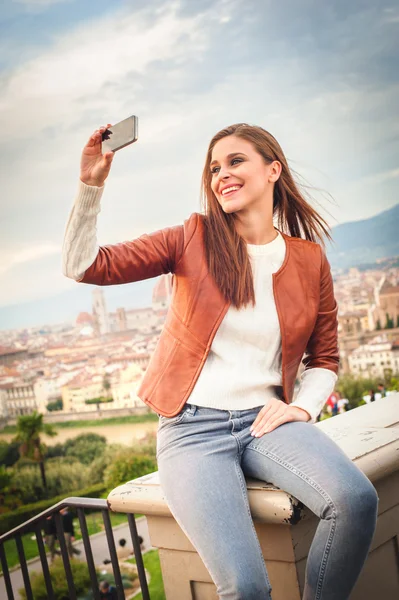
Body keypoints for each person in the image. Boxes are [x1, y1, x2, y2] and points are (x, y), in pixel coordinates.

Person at [62, 122, 379, 599]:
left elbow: (325, 356)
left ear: (273, 170)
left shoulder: (309, 259)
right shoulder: (193, 236)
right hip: (192, 431)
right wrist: (91, 185)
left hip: (267, 422)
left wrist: (303, 408)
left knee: (356, 500)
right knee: (246, 587)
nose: (221, 175)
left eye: (235, 162)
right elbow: (84, 266)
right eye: (214, 168)